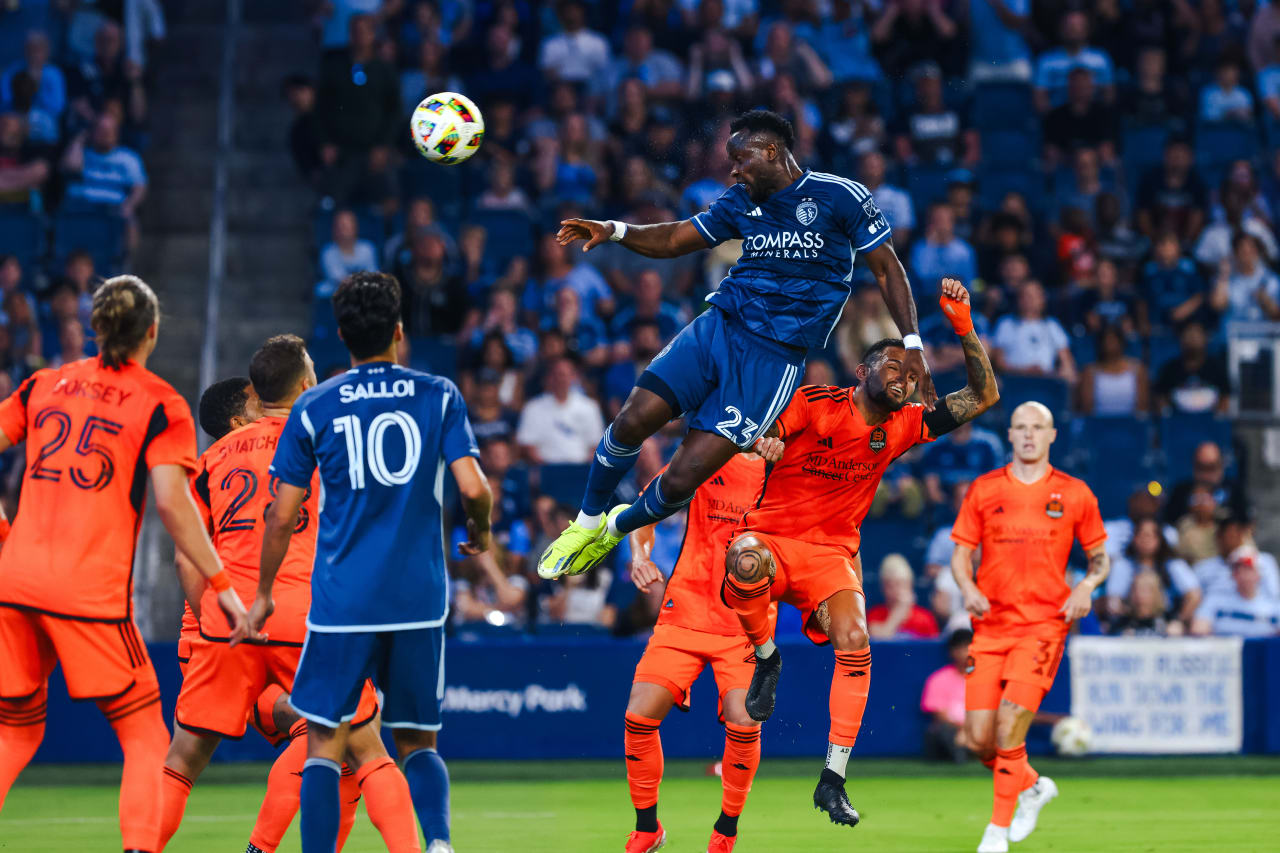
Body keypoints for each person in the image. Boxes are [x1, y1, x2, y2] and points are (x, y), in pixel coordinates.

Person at [538, 109, 932, 580]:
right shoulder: (740, 200)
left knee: (685, 475)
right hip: (719, 326)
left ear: (771, 151)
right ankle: (584, 523)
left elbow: (886, 267)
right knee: (631, 420)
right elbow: (677, 238)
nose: (733, 170)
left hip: (772, 359)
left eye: (740, 159)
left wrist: (912, 341)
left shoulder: (839, 195)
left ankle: (616, 527)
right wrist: (615, 230)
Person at [722, 279, 997, 827]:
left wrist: (962, 326)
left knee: (856, 637)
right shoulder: (814, 404)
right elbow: (769, 431)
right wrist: (768, 442)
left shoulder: (902, 426)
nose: (903, 377)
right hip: (774, 540)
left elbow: (983, 397)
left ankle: (832, 778)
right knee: (744, 558)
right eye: (892, 368)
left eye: (911, 373)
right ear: (862, 371)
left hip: (830, 556)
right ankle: (767, 657)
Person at [0, 276, 253, 852]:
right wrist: (221, 584)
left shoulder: (43, 384)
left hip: (13, 584)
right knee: (143, 733)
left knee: (13, 732)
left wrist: (4, 531)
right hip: (87, 594)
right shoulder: (161, 403)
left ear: (96, 327)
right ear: (153, 333)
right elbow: (173, 503)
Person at [246, 272, 492, 853]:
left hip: (341, 602)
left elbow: (281, 516)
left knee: (325, 743)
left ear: (340, 336)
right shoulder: (439, 395)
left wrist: (261, 593)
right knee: (417, 741)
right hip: (418, 597)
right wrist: (478, 533)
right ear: (400, 332)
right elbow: (474, 488)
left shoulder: (313, 406)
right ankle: (437, 843)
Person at [158, 337, 394, 852]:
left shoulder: (210, 463)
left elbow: (185, 553)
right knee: (350, 741)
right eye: (247, 401)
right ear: (241, 419)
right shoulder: (303, 445)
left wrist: (215, 622)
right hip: (284, 621)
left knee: (192, 756)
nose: (255, 401)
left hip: (218, 631)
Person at [950, 402, 1110, 853]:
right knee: (979, 741)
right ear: (1010, 435)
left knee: (1008, 729)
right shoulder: (983, 490)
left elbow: (1100, 556)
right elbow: (960, 554)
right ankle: (1034, 786)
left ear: (1052, 435)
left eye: (1037, 427)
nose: (1028, 435)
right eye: (1020, 427)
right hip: (990, 626)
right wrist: (966, 585)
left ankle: (996, 832)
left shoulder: (1075, 493)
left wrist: (1087, 586)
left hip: (1043, 626)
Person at [622, 453, 768, 853]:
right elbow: (644, 510)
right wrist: (640, 556)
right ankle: (647, 828)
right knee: (638, 714)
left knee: (744, 719)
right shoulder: (705, 456)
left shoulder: (784, 468)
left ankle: (726, 831)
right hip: (684, 611)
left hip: (744, 623)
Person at [1103, 517, 1201, 630]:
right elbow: (1113, 602)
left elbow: (1194, 595)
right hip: (1131, 621)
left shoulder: (1173, 565)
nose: (1145, 540)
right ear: (1134, 539)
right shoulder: (1123, 565)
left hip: (1166, 620)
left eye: (1150, 535)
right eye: (1141, 535)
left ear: (1160, 539)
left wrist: (1178, 620)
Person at [1192, 551, 1280, 637]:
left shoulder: (1274, 606)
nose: (1243, 575)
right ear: (1233, 575)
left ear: (1259, 574)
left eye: (1248, 569)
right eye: (1238, 569)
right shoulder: (1215, 601)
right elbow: (1199, 629)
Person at [921, 629, 974, 762]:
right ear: (952, 652)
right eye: (961, 648)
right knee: (942, 730)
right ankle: (960, 755)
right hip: (953, 731)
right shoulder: (938, 679)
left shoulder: (986, 679)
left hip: (978, 731)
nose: (965, 653)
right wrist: (963, 730)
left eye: (969, 647)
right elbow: (940, 715)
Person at [1077, 326, 1148, 416]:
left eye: (1113, 340)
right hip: (1098, 426)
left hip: (1131, 427)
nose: (1109, 344)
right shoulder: (1089, 372)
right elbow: (1087, 410)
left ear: (1121, 342)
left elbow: (1142, 409)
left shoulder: (1138, 370)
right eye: (1106, 340)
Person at [867, 554, 939, 639]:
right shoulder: (875, 615)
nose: (897, 591)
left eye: (903, 584)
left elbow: (933, 648)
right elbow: (878, 641)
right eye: (891, 585)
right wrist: (899, 612)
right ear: (883, 587)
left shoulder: (925, 618)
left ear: (911, 585)